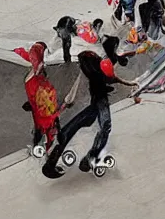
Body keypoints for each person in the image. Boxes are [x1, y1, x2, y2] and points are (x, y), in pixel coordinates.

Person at [42, 43, 137, 178]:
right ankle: (89, 158)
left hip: (95, 101)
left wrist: (69, 99)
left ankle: (52, 161)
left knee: (76, 124)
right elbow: (112, 78)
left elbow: (84, 80)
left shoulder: (90, 66)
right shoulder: (97, 68)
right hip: (100, 100)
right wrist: (131, 83)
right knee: (105, 126)